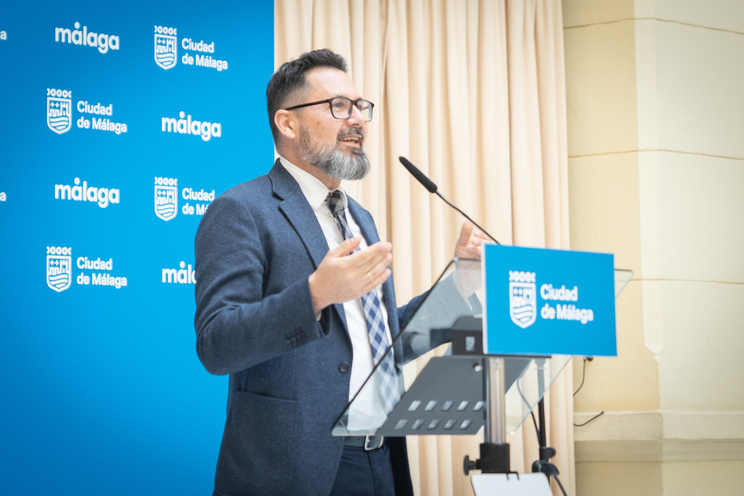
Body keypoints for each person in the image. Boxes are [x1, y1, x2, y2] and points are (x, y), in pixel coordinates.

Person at [194, 48, 487, 496]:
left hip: (380, 458)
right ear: (287, 123)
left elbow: (380, 342)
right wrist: (313, 295)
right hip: (294, 468)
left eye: (359, 106)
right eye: (338, 106)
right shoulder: (242, 210)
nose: (357, 120)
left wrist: (459, 284)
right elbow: (217, 344)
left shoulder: (358, 218)